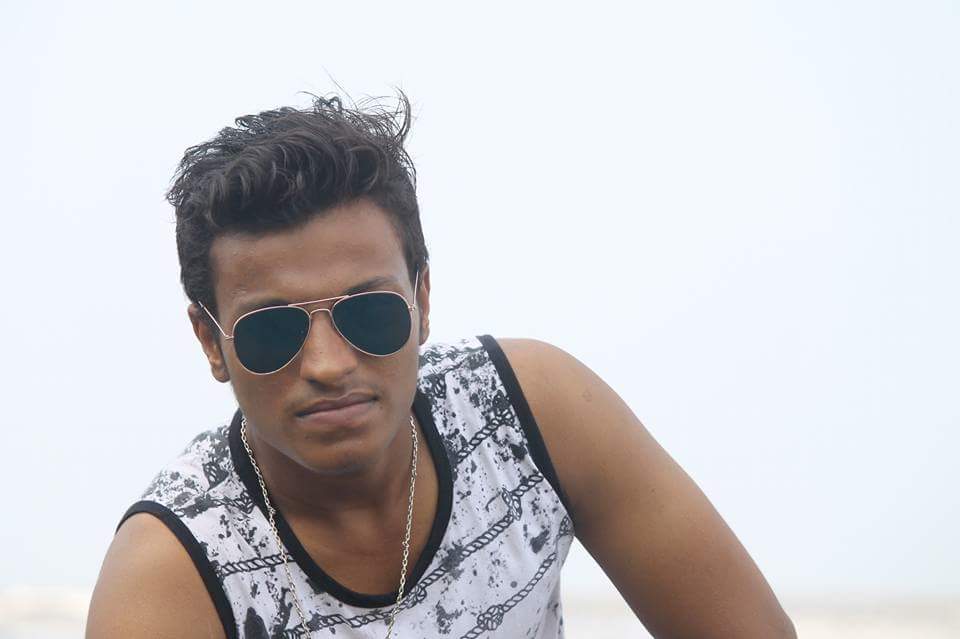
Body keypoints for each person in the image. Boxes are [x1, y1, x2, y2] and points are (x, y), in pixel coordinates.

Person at [86, 92, 797, 639]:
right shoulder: (172, 572)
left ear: (422, 302)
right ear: (211, 342)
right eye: (273, 331)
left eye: (369, 313)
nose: (328, 364)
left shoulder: (527, 414)